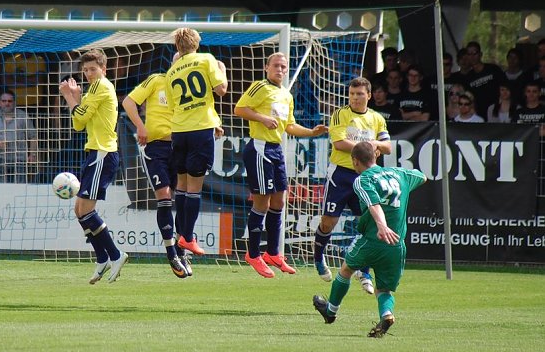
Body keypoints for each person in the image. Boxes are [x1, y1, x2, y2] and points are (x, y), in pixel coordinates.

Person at [312, 140, 426, 338]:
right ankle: (387, 315)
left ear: (355, 161)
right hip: (396, 244)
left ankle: (330, 311)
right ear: (376, 156)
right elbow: (422, 177)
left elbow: (374, 205)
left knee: (346, 270)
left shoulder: (362, 180)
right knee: (384, 290)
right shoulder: (399, 173)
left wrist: (382, 226)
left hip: (373, 239)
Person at [234, 52, 327, 278]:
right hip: (260, 148)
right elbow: (239, 109)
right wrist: (262, 118)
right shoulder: (260, 87)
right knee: (262, 203)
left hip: (276, 149)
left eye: (284, 67)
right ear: (267, 67)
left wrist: (311, 132)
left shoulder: (286, 95)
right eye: (276, 65)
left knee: (280, 201)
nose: (280, 69)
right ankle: (253, 254)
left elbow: (289, 126)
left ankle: (273, 253)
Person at [313, 77, 391, 294]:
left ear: (369, 95)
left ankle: (364, 271)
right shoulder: (340, 114)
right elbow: (339, 143)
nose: (355, 98)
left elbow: (388, 146)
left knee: (368, 225)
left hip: (365, 177)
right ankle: (318, 257)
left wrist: (376, 144)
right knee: (328, 222)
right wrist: (369, 147)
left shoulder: (376, 118)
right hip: (341, 175)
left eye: (360, 94)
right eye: (352, 94)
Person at [58, 49, 128, 284]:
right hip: (94, 152)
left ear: (103, 69)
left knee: (86, 210)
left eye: (93, 69)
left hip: (103, 153)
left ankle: (116, 255)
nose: (88, 74)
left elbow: (79, 117)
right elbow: (79, 124)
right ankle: (102, 258)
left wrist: (69, 97)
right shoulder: (92, 90)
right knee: (79, 210)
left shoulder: (101, 86)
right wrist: (77, 99)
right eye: (85, 70)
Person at [122, 68, 192, 278]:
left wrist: (214, 124)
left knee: (184, 199)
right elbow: (128, 102)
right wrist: (140, 126)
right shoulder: (156, 80)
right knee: (164, 196)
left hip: (181, 146)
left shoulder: (189, 85)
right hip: (155, 148)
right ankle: (171, 254)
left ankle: (181, 249)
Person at [165, 28, 228, 259]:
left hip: (179, 131)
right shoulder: (206, 59)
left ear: (177, 47)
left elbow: (173, 106)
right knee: (194, 187)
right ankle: (188, 237)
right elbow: (221, 90)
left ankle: (182, 234)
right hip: (200, 130)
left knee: (181, 185)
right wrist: (222, 70)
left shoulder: (171, 72)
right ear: (197, 44)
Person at [0, 90, 38, 183]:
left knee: (20, 187)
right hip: (0, 159)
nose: (7, 103)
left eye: (10, 101)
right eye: (4, 101)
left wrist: (32, 154)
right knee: (0, 187)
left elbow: (33, 136)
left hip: (19, 159)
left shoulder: (23, 116)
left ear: (14, 103)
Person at [464, 41, 503, 119]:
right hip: (480, 115)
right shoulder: (468, 77)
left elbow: (504, 88)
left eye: (474, 53)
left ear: (480, 54)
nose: (472, 56)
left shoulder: (493, 69)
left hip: (497, 111)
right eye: (469, 54)